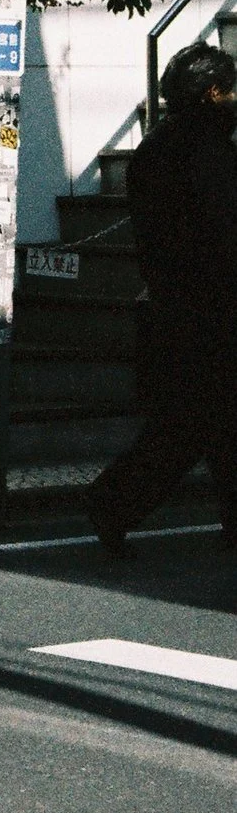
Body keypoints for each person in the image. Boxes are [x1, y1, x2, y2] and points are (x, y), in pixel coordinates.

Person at [89, 40, 237, 555]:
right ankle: (112, 500)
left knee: (196, 424)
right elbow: (224, 231)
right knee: (197, 426)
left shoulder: (154, 149)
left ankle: (113, 502)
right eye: (231, 89)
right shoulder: (211, 152)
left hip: (169, 303)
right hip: (213, 308)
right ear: (213, 92)